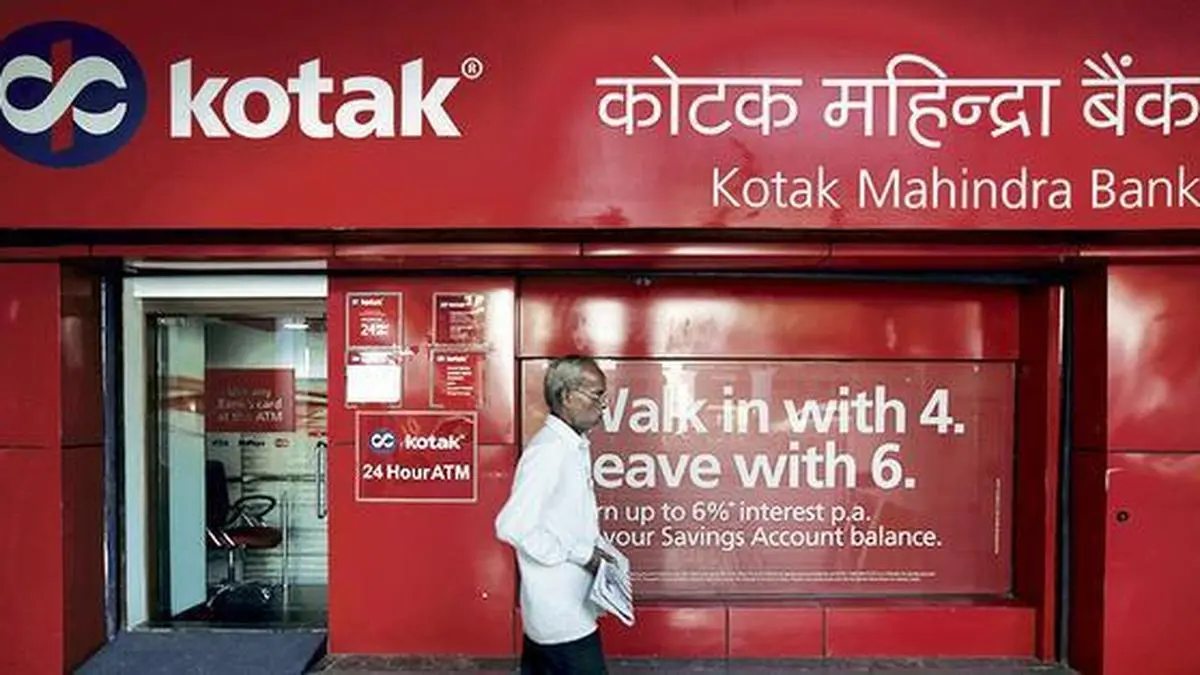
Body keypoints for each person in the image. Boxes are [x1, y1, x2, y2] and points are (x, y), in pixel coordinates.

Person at [495, 355, 615, 674]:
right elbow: (512, 526)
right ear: (567, 396)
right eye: (597, 395)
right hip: (562, 615)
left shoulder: (570, 445)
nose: (603, 405)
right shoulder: (549, 450)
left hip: (561, 608)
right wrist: (582, 554)